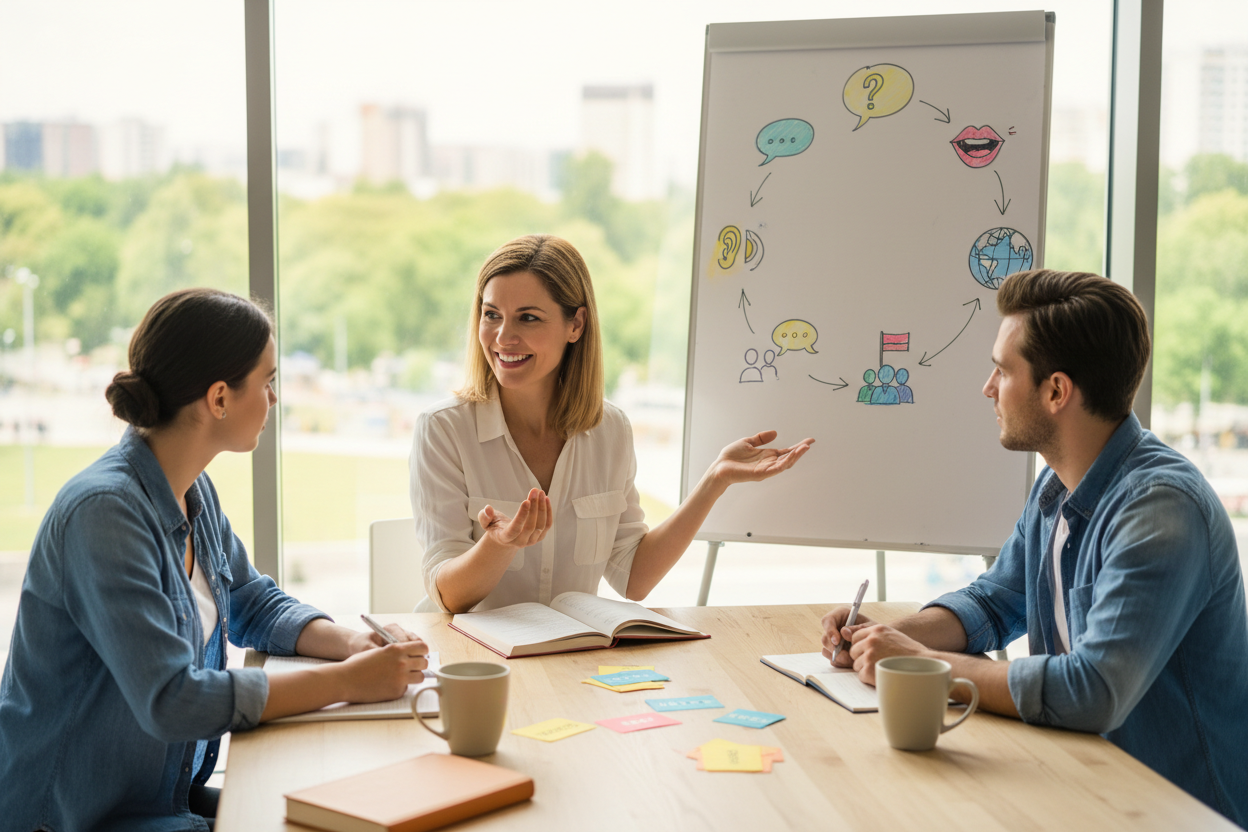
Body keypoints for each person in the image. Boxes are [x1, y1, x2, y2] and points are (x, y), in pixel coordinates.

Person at [820, 269, 1248, 826]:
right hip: (1082, 786)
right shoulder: (1056, 487)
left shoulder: (1161, 510)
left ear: (1056, 391)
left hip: (1176, 814)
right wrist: (881, 636)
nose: (988, 387)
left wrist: (924, 666)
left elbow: (1092, 690)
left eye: (1002, 370)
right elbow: (996, 601)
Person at [0, 289, 429, 832]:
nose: (274, 400)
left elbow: (252, 601)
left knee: (349, 810)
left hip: (162, 798)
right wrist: (347, 682)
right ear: (220, 398)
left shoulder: (191, 489)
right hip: (75, 817)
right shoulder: (104, 514)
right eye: (268, 382)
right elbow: (172, 699)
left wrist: (352, 643)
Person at [410, 234, 813, 614]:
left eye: (528, 318)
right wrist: (498, 546)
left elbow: (633, 578)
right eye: (491, 315)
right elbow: (448, 596)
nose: (503, 337)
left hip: (570, 660)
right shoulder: (443, 431)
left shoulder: (610, 429)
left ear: (576, 325)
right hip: (478, 667)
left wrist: (715, 481)